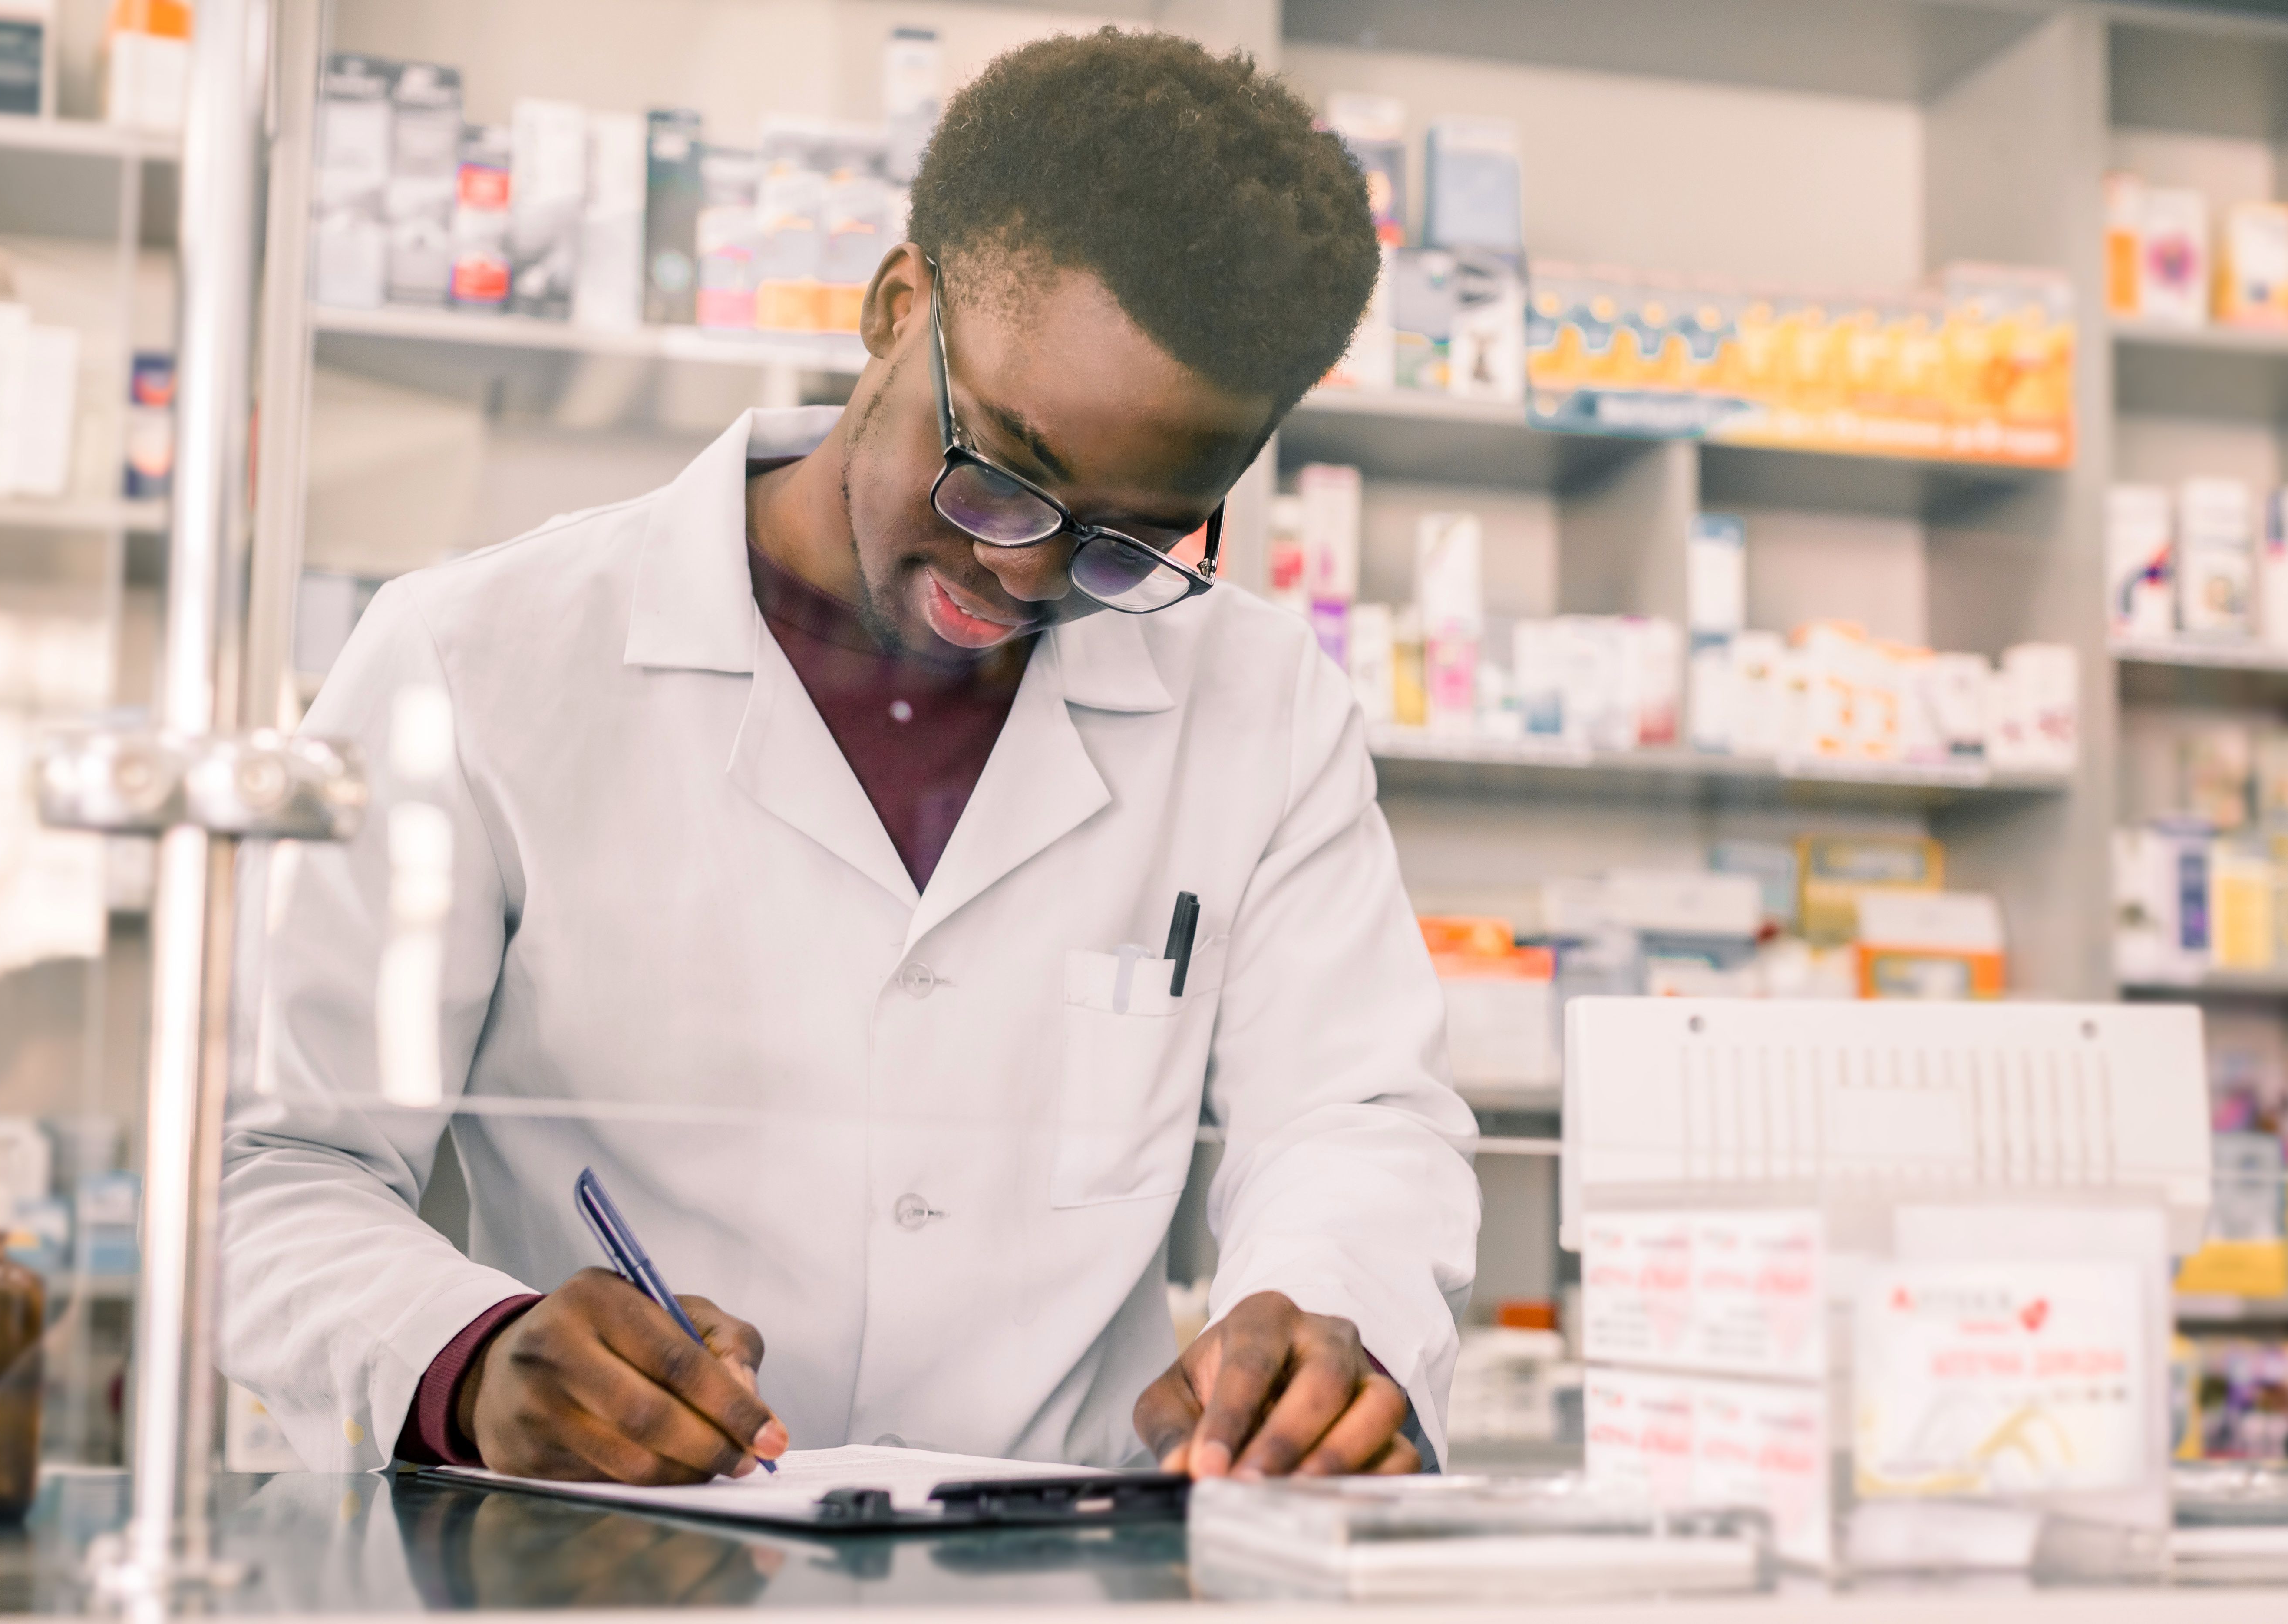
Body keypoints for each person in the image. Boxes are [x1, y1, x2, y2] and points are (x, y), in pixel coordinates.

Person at [221, 28, 1479, 1486]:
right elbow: (272, 1168)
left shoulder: (1259, 701)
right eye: (1004, 472)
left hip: (1053, 1570)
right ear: (896, 309)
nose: (1026, 573)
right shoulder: (477, 656)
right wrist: (470, 1357)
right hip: (615, 1558)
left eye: (1129, 539)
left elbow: (1356, 1116)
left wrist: (1326, 1327)